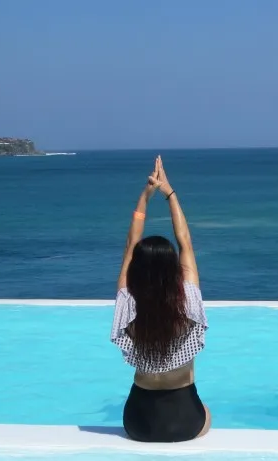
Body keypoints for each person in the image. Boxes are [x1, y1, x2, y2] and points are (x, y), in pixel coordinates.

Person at [111, 155, 212, 443]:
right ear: (172, 268)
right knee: (207, 412)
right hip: (184, 418)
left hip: (138, 421)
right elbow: (185, 242)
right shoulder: (187, 300)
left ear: (137, 269)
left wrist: (145, 196)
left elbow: (131, 244)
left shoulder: (127, 302)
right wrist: (169, 193)